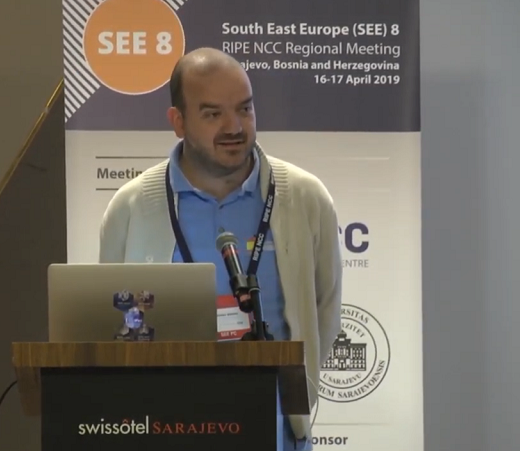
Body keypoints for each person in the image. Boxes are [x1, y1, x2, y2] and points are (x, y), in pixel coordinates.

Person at [98, 47, 342, 451]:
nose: (235, 126)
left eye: (245, 109)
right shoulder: (132, 207)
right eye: (213, 114)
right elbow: (112, 325)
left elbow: (325, 311)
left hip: (277, 434)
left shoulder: (303, 197)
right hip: (166, 432)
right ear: (178, 122)